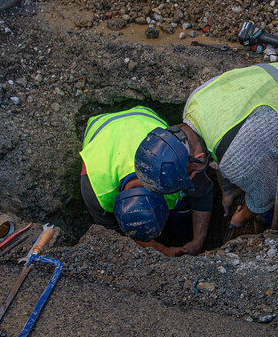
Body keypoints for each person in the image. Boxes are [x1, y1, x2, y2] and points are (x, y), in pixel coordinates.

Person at [134, 60, 278, 237]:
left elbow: (266, 197)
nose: (194, 177)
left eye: (191, 174)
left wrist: (241, 218)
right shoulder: (194, 104)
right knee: (263, 181)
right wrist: (229, 190)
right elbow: (221, 148)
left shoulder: (237, 158)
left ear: (198, 158)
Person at [80, 105, 212, 256]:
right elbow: (114, 234)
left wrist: (197, 241)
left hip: (143, 117)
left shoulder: (173, 166)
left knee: (182, 209)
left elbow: (203, 194)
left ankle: (181, 231)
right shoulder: (95, 188)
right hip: (102, 125)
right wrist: (163, 250)